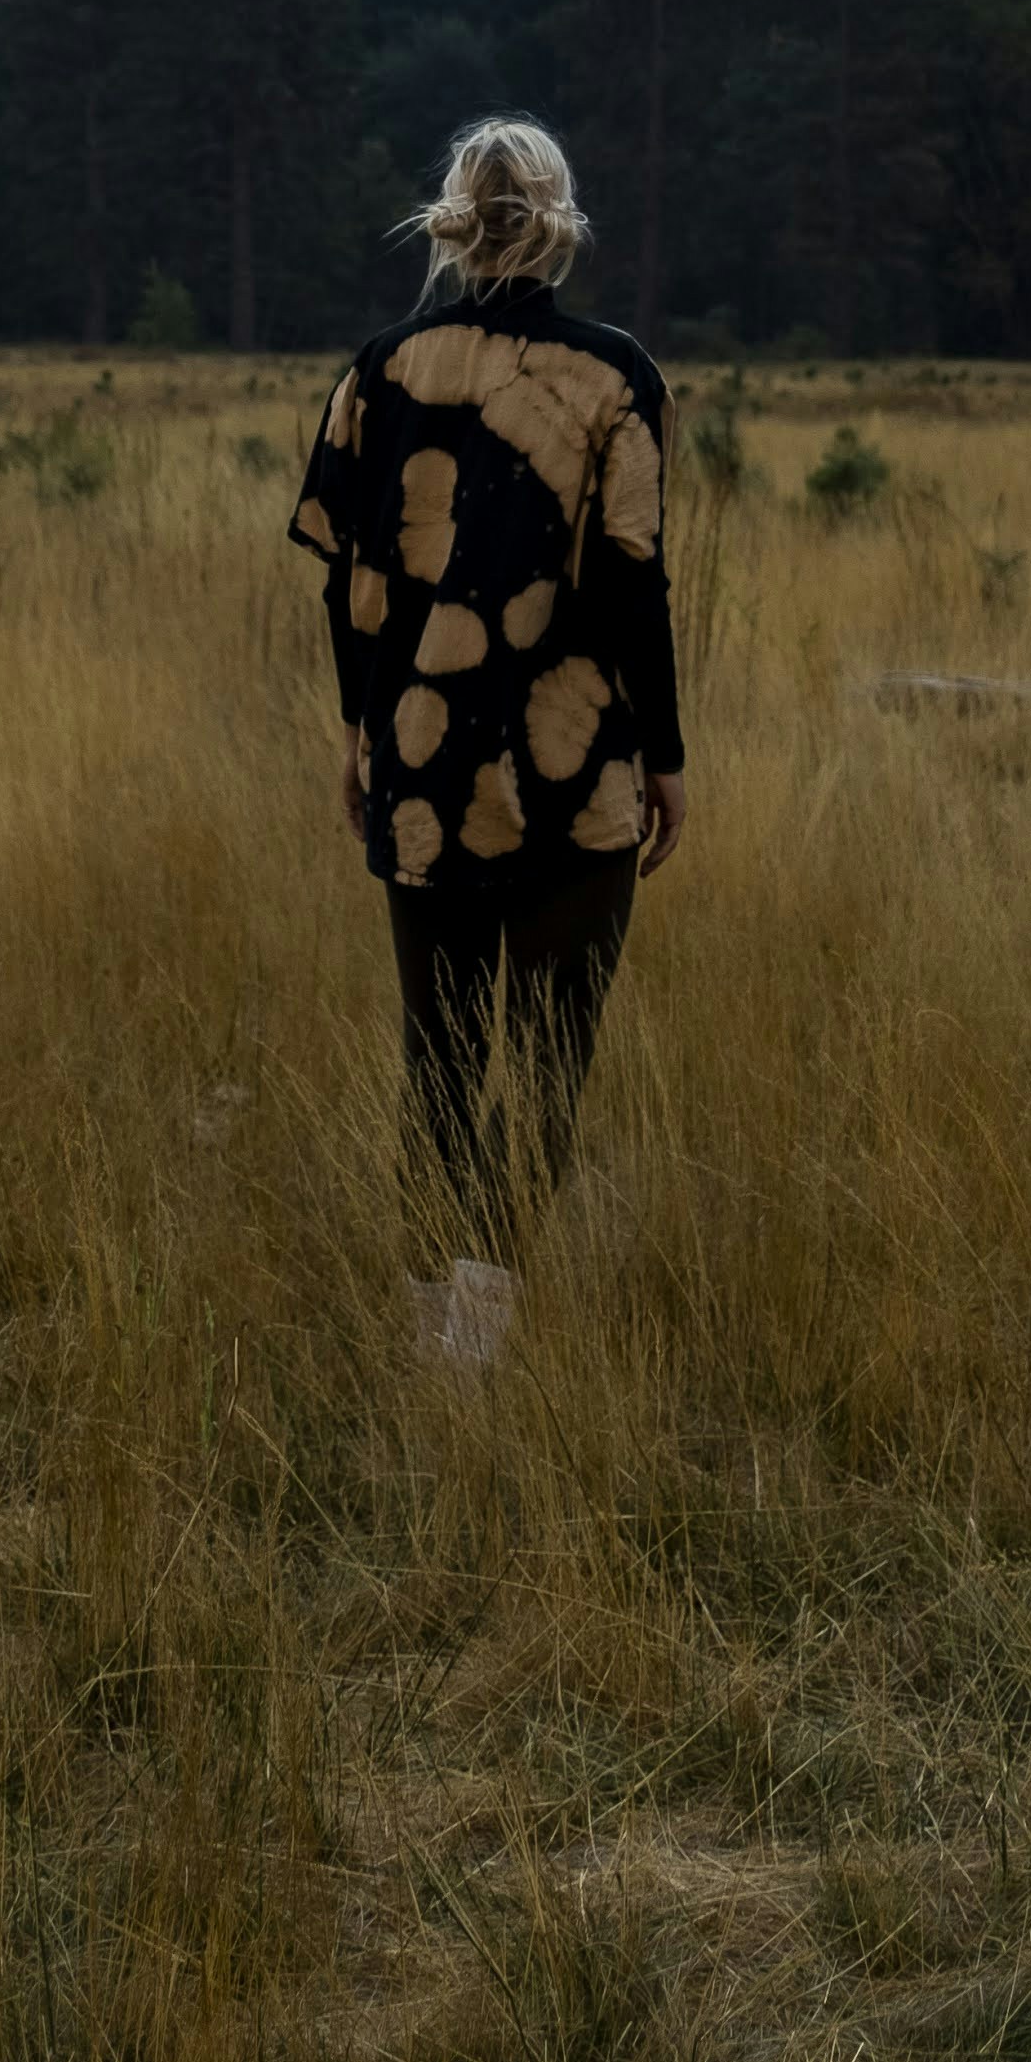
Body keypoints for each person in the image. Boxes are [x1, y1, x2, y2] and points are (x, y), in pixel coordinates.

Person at [287, 114, 686, 1363]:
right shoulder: (617, 375)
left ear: (456, 219)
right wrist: (665, 756)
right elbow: (633, 586)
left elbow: (346, 576)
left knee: (442, 1061)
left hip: (419, 762)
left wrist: (360, 732)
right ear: (561, 220)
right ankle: (477, 1344)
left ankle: (433, 1344)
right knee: (545, 1063)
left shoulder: (381, 367)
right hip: (576, 774)